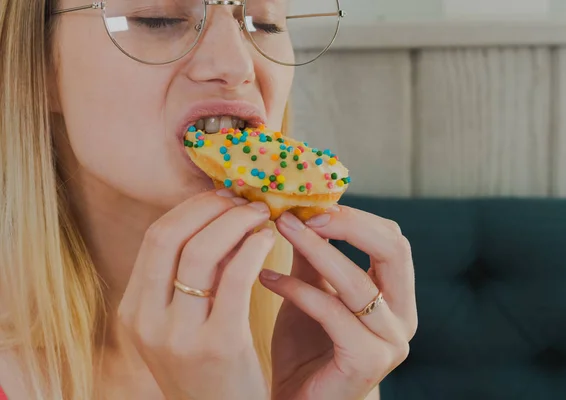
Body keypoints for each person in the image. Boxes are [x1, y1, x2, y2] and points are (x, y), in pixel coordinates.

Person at [0, 0, 418, 399]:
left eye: (265, 21)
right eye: (158, 18)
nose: (236, 66)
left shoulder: (317, 346)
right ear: (33, 69)